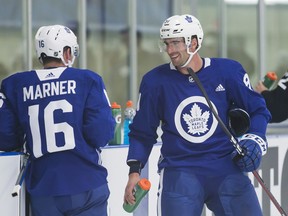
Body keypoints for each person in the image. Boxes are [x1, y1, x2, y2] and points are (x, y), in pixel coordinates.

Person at [123, 14, 271, 216]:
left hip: (226, 167)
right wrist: (134, 171)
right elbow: (142, 132)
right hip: (180, 172)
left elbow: (258, 110)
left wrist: (255, 140)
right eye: (166, 43)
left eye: (176, 43)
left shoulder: (228, 71)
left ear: (194, 42)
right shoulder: (154, 81)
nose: (170, 50)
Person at [0, 25, 115, 216]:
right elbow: (100, 134)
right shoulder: (88, 80)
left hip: (44, 190)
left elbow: (7, 138)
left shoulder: (15, 85)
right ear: (67, 52)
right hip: (85, 183)